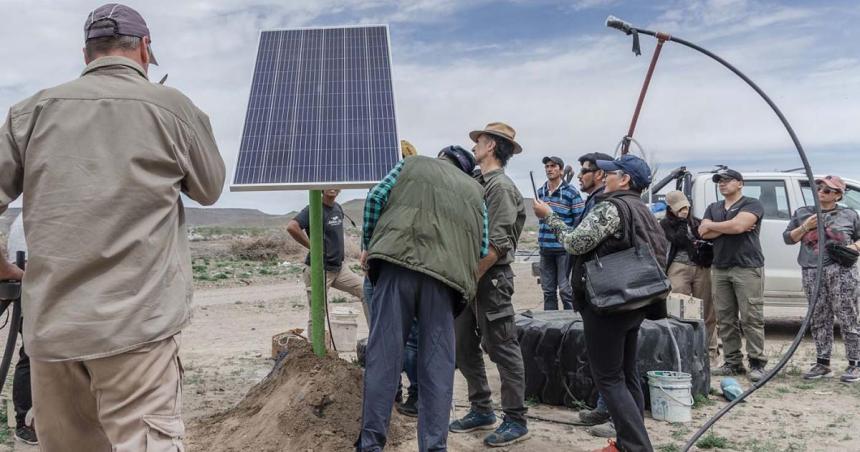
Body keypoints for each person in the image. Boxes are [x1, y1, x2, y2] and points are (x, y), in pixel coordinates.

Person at [0, 4, 226, 451]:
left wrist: (5, 268)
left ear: (87, 54)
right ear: (144, 49)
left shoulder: (30, 112)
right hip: (137, 328)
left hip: (52, 331)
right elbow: (210, 189)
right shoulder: (173, 108)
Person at [356, 146, 488, 452]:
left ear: (440, 158)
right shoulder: (475, 192)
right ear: (466, 171)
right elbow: (481, 248)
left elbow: (376, 197)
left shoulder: (410, 165)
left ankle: (371, 444)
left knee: (384, 360)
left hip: (396, 267)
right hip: (444, 284)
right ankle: (433, 447)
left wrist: (369, 243)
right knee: (437, 368)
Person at [534, 154, 667, 452]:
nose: (604, 177)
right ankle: (627, 441)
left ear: (625, 180)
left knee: (608, 378)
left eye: (611, 173)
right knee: (627, 374)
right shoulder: (641, 208)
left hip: (609, 304)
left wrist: (549, 216)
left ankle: (635, 446)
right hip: (634, 301)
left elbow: (573, 242)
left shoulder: (611, 207)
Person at [449, 122, 529, 447]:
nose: (473, 147)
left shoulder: (501, 188)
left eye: (478, 141)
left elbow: (497, 246)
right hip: (471, 277)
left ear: (492, 146)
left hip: (490, 279)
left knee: (502, 347)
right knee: (463, 345)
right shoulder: (478, 182)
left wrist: (468, 278)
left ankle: (516, 419)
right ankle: (482, 408)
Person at [361, 139, 420, 415]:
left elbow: (373, 200)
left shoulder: (387, 185)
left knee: (387, 335)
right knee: (408, 336)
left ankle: (395, 391)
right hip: (408, 267)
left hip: (385, 267)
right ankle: (407, 392)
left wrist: (367, 246)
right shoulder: (420, 191)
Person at [784, 175, 860, 382]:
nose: (821, 192)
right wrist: (805, 227)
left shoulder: (849, 214)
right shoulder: (803, 213)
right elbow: (788, 238)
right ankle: (822, 363)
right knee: (818, 317)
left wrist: (854, 247)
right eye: (818, 187)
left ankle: (855, 363)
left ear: (838, 194)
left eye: (827, 190)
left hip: (842, 271)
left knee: (848, 316)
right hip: (811, 271)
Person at [698, 168, 767, 382]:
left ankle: (756, 362)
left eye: (727, 180)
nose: (722, 184)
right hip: (719, 266)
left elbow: (739, 226)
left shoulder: (751, 203)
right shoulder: (714, 207)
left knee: (750, 317)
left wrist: (715, 226)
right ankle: (732, 362)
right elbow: (702, 232)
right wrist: (726, 226)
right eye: (719, 181)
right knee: (725, 318)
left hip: (746, 266)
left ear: (740, 183)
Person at [571, 152, 615, 436]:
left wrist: (550, 219)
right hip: (595, 291)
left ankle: (616, 418)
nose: (579, 175)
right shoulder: (594, 201)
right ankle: (604, 408)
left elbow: (577, 243)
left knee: (614, 362)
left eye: (585, 171)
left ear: (600, 174)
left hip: (605, 291)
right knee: (603, 358)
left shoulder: (605, 205)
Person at [287, 188, 367, 339]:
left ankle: (376, 336)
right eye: (328, 183)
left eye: (336, 184)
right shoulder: (313, 208)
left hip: (339, 268)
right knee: (318, 311)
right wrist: (314, 247)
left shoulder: (337, 208)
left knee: (366, 291)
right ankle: (314, 350)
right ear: (322, 187)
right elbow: (292, 227)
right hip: (318, 269)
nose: (332, 187)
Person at [660, 191, 718, 361]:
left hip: (702, 267)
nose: (684, 210)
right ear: (670, 209)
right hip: (679, 267)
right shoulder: (665, 224)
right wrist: (681, 221)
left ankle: (710, 351)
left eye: (685, 207)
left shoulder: (698, 222)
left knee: (708, 310)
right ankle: (679, 350)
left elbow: (707, 237)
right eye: (679, 208)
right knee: (677, 308)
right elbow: (678, 240)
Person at [5, 214, 37, 445]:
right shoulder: (31, 217)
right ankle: (24, 423)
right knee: (30, 357)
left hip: (32, 299)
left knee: (30, 356)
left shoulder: (22, 217)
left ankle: (28, 420)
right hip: (36, 299)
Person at [537, 156, 584, 311]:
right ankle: (551, 326)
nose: (549, 169)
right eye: (547, 166)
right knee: (548, 291)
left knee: (566, 291)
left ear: (561, 170)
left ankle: (572, 324)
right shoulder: (540, 192)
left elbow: (580, 220)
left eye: (553, 166)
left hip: (564, 251)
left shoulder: (571, 193)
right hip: (545, 250)